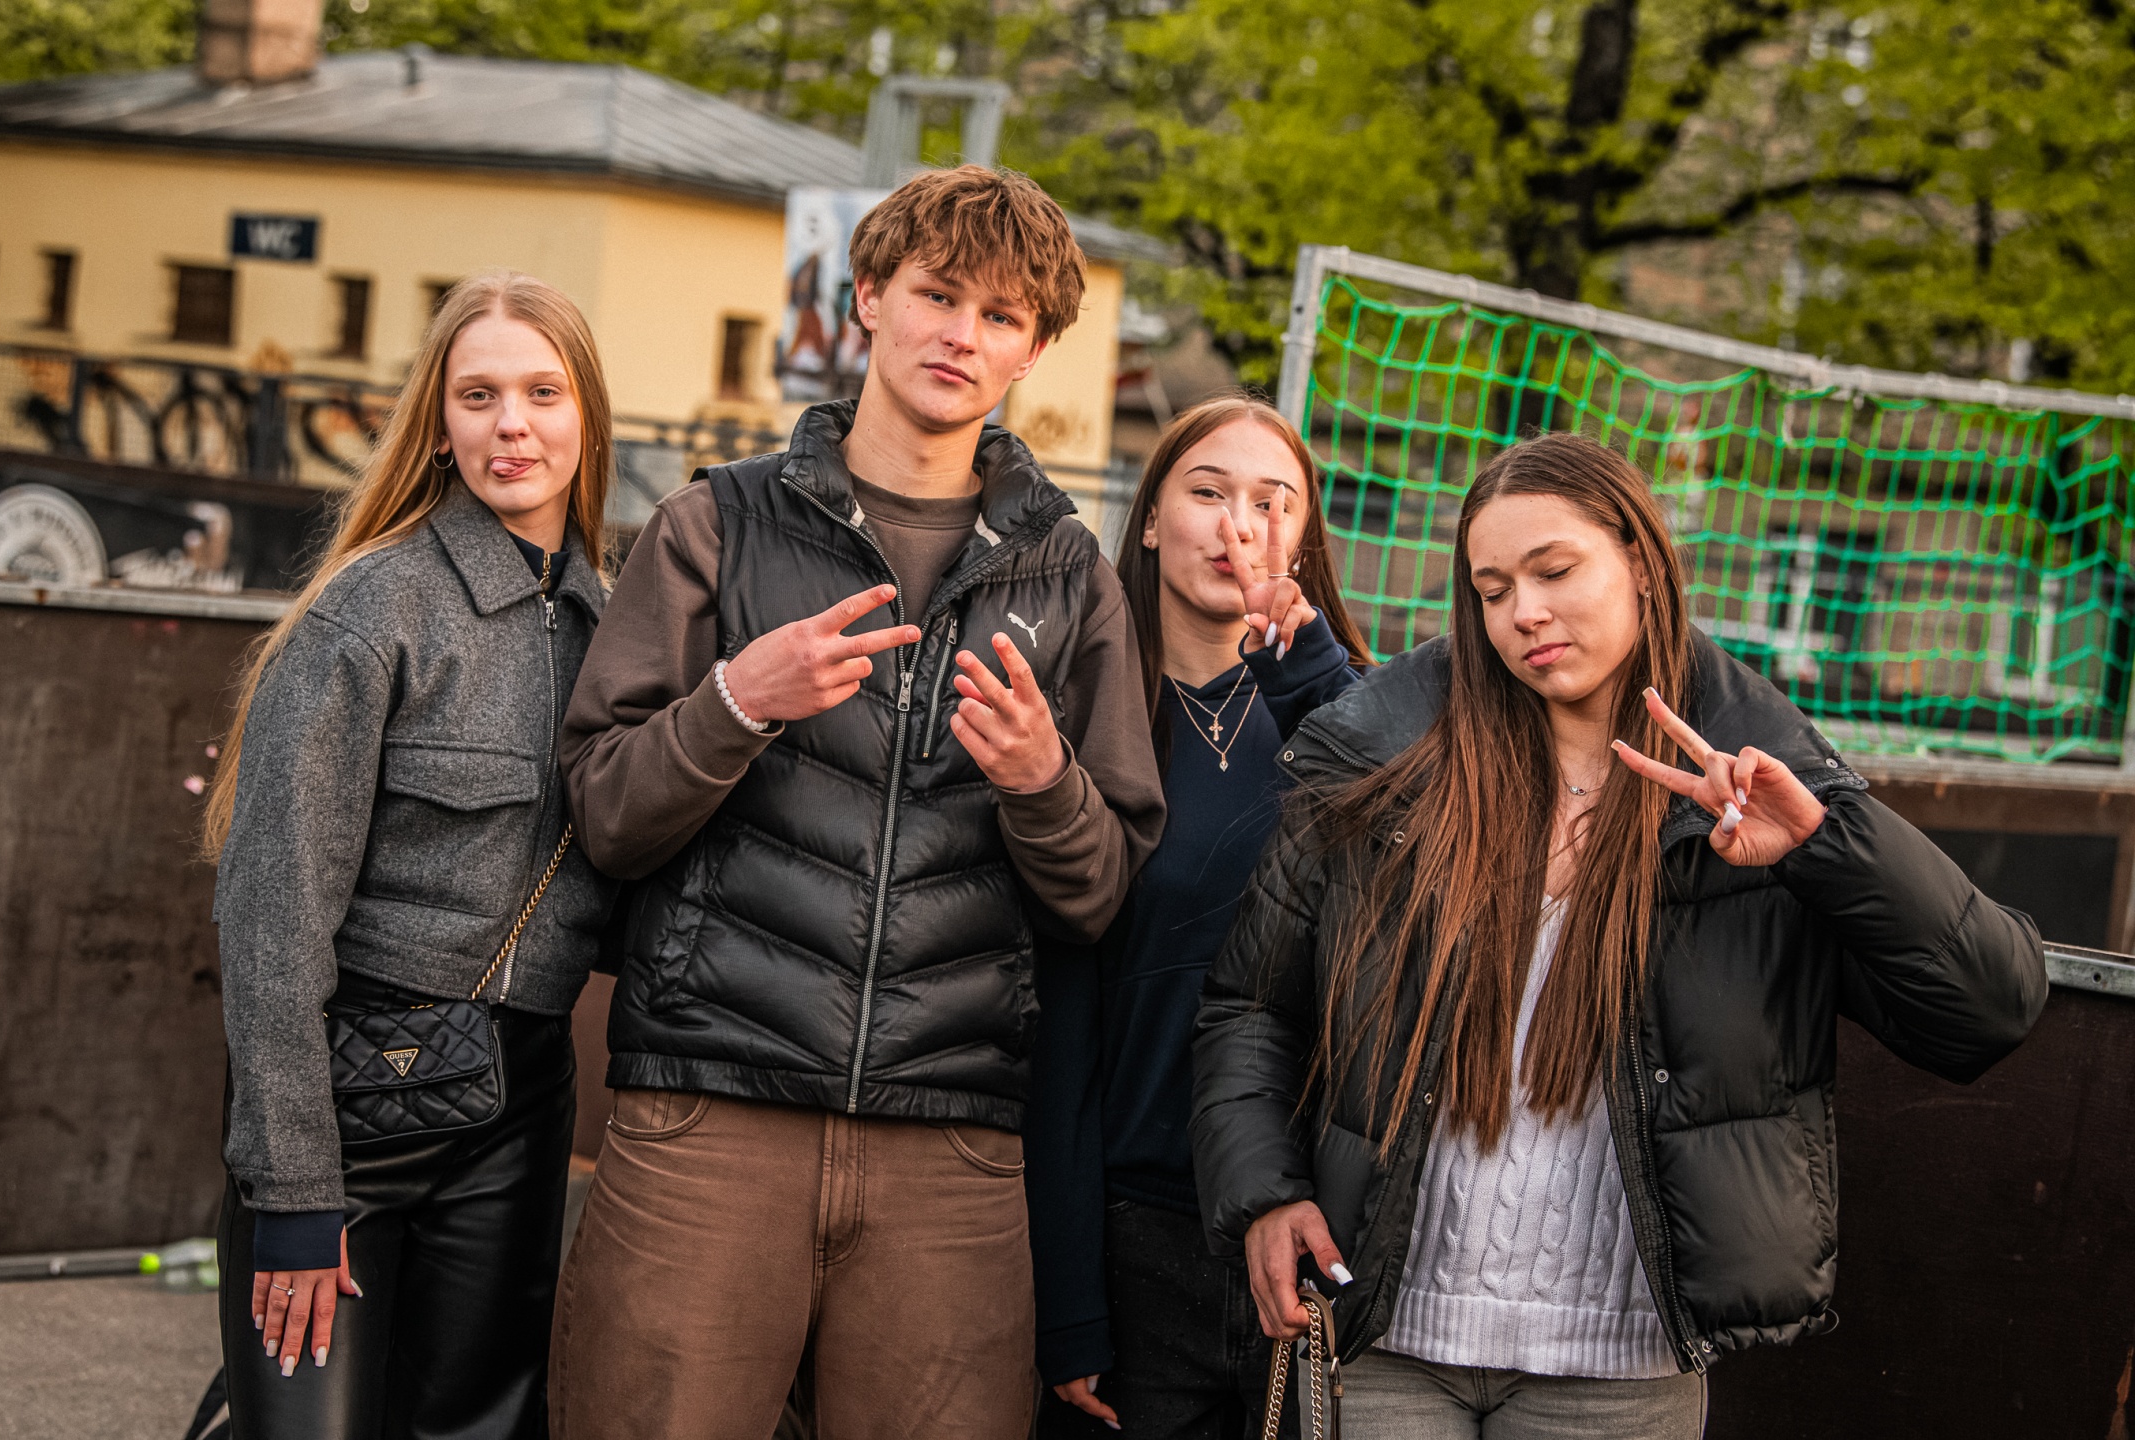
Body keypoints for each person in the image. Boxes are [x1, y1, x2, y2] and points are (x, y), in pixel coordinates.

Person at [1190, 431, 2048, 1437]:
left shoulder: (1757, 785)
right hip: (1383, 1342)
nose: (1524, 613)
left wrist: (1827, 847)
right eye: (1493, 590)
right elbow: (1251, 1005)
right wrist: (1263, 1193)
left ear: (1640, 560)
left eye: (1554, 571)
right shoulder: (1387, 764)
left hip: (1621, 1378)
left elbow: (1986, 1011)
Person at [549, 164, 1166, 1440]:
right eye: (937, 295)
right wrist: (737, 701)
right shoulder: (713, 524)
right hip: (707, 1112)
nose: (961, 335)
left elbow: (1102, 896)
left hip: (952, 1151)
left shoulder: (1072, 577)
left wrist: (1043, 784)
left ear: (1034, 350)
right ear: (869, 299)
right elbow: (604, 815)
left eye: (1000, 316)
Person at [203, 270, 619, 1438]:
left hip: (518, 1115)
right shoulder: (371, 613)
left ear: (588, 417)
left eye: (543, 393)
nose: (512, 426)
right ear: (438, 425)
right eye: (478, 396)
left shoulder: (618, 630)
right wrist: (294, 1189)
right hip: (345, 1114)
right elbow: (272, 922)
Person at [1031, 397, 1372, 1438]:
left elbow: (1414, 850)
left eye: (1274, 503)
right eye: (1209, 492)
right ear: (1148, 520)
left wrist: (1308, 674)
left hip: (1314, 1236)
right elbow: (1060, 1031)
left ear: (1303, 539)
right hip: (1135, 1231)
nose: (1240, 526)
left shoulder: (1349, 711)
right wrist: (1069, 1298)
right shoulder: (1081, 721)